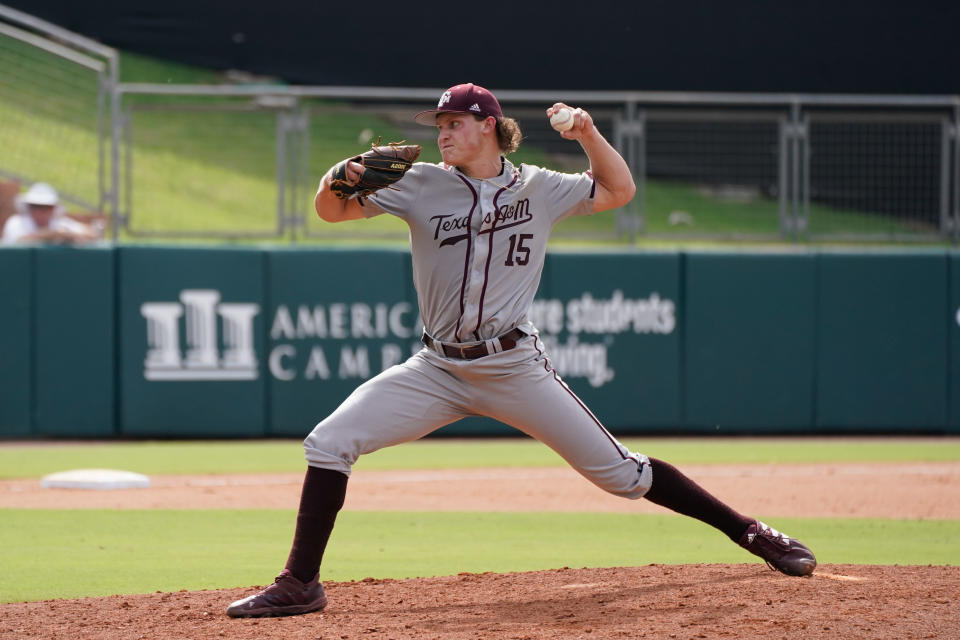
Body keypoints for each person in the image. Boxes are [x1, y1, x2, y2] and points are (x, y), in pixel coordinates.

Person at [226, 83, 816, 618]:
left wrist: (586, 134)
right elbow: (328, 211)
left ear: (487, 125)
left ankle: (752, 533)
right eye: (438, 124)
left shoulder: (540, 187)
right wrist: (341, 175)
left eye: (454, 122)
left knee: (623, 476)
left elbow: (619, 190)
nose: (442, 133)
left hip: (513, 368)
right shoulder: (419, 183)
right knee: (329, 442)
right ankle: (301, 583)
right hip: (436, 368)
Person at [1, 182, 98, 245]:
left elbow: (92, 233)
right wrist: (52, 235)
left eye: (45, 207)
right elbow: (18, 242)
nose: (39, 212)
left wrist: (70, 235)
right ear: (29, 207)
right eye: (35, 207)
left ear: (53, 209)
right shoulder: (17, 222)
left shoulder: (59, 224)